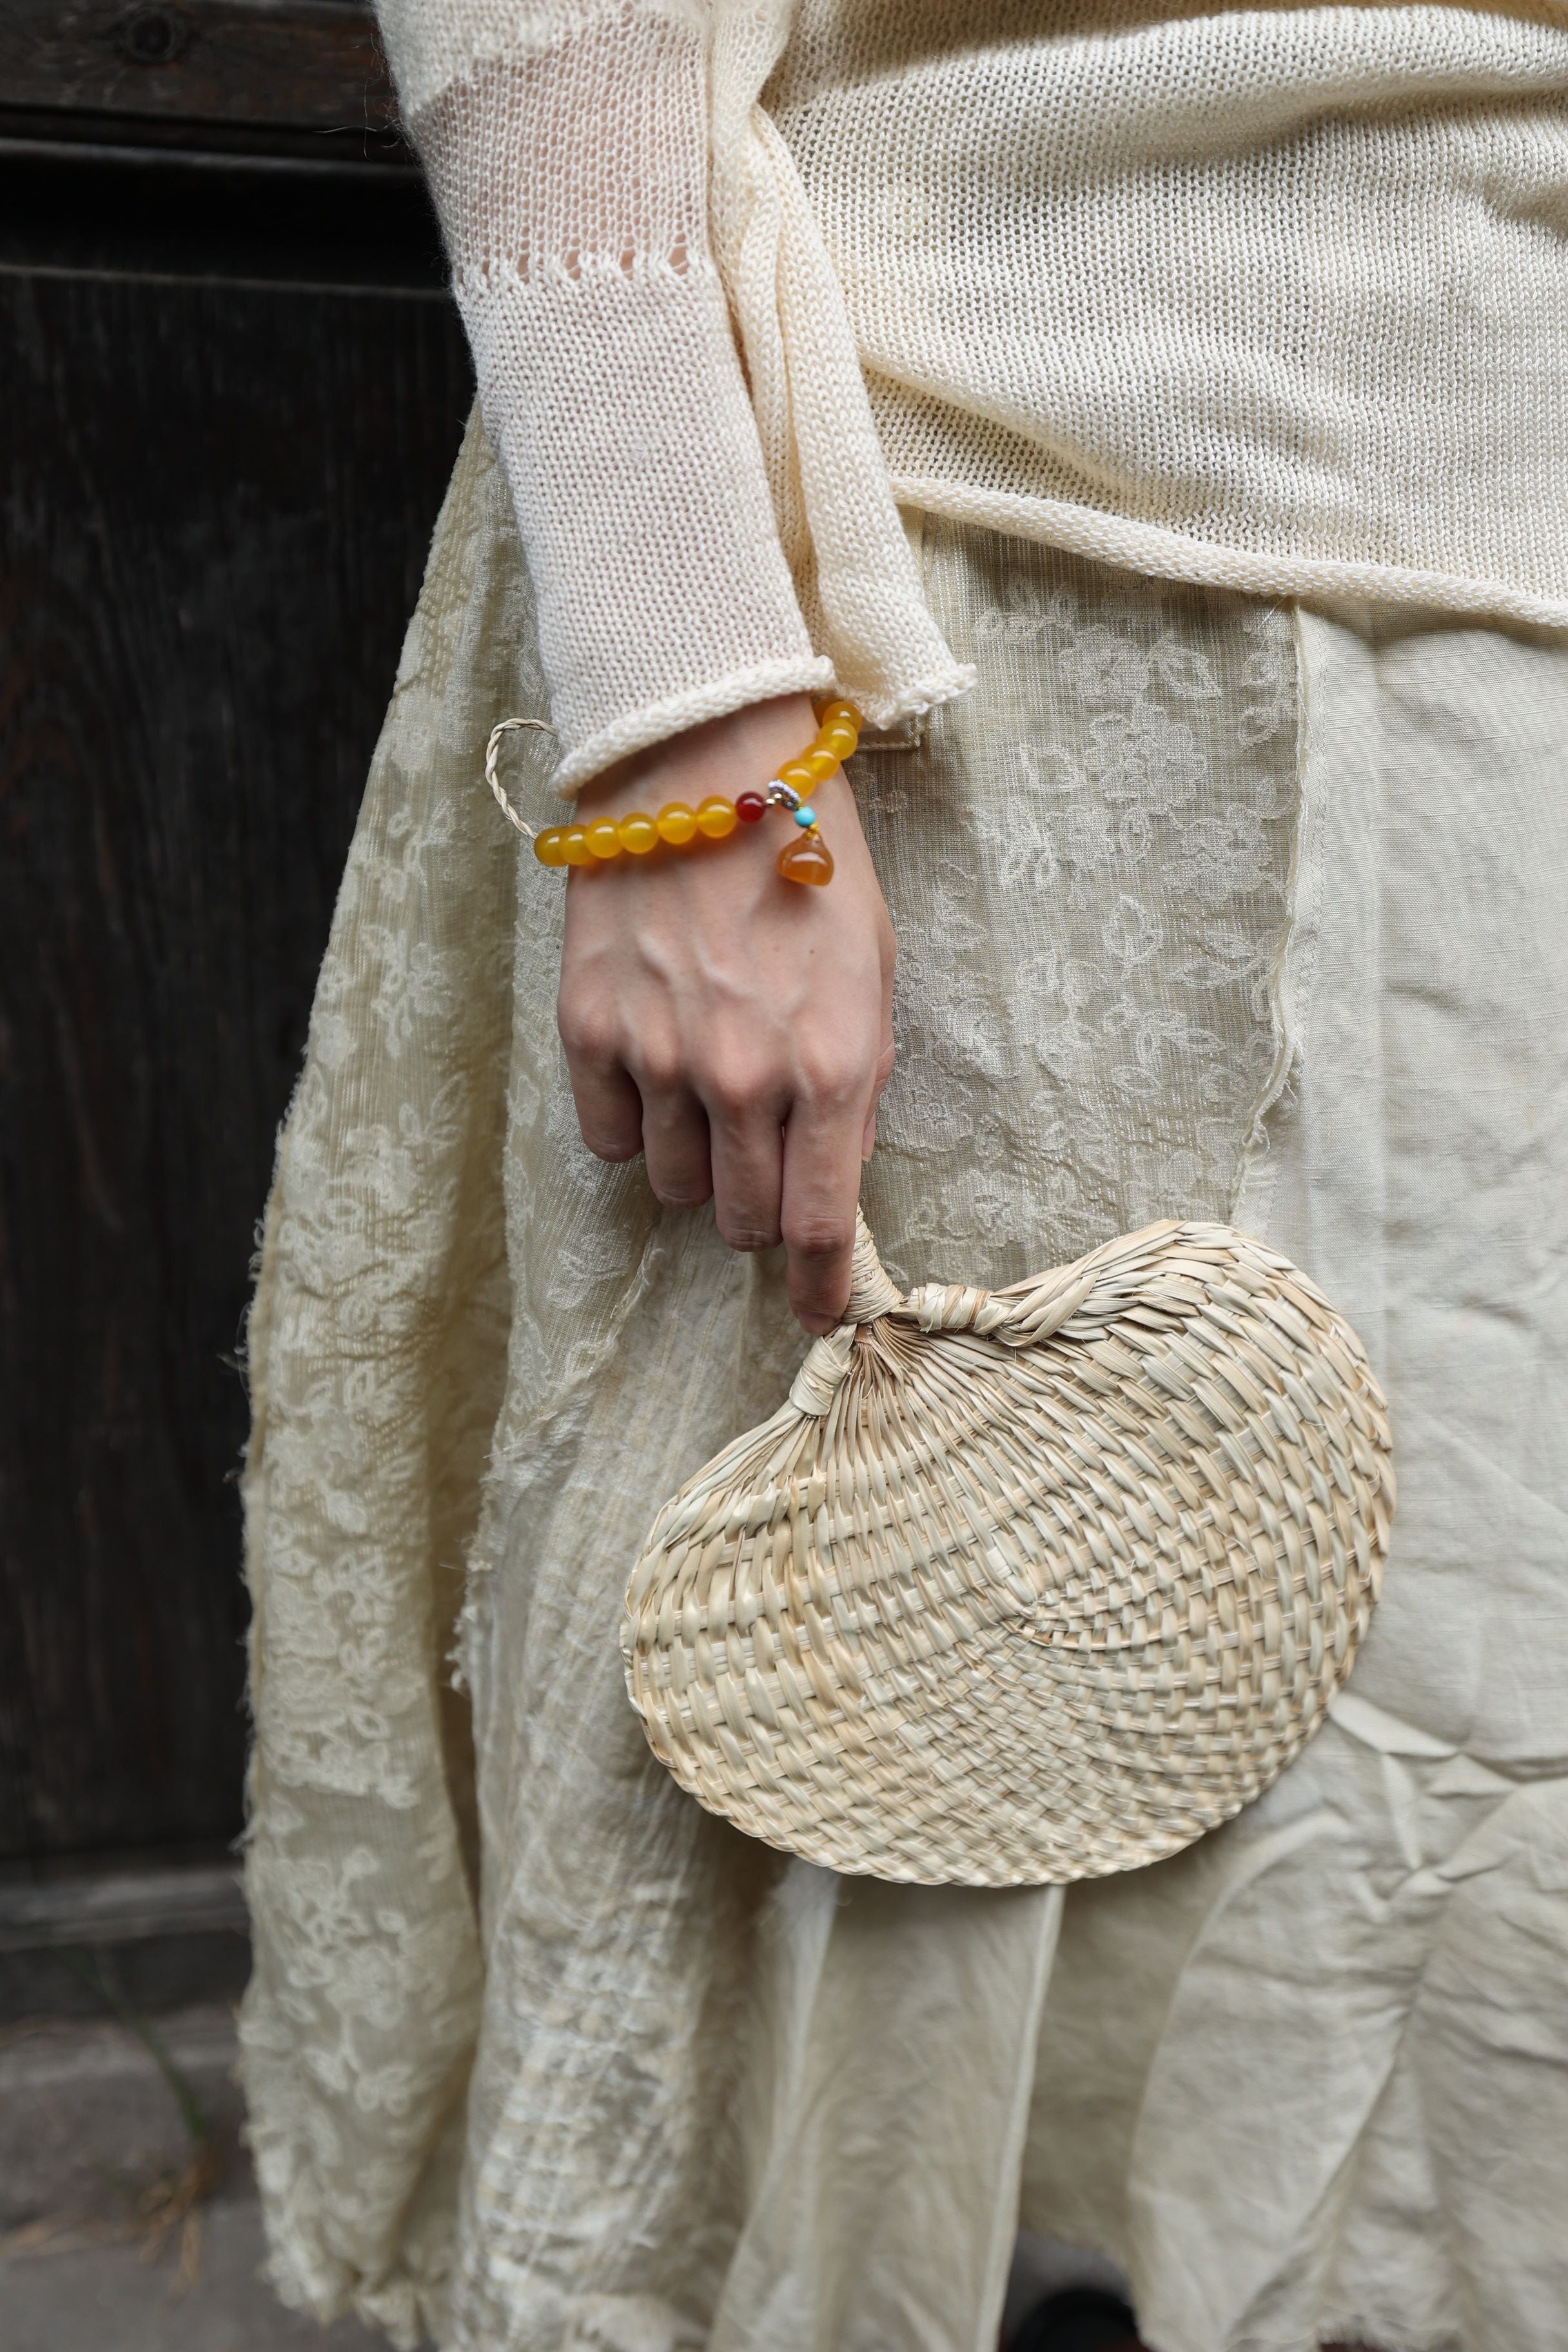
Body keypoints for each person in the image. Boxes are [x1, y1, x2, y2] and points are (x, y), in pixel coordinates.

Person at [238, 6, 1568, 2347]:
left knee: (1442, 1899)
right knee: (871, 1818)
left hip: (1514, 614)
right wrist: (684, 697)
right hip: (935, 589)